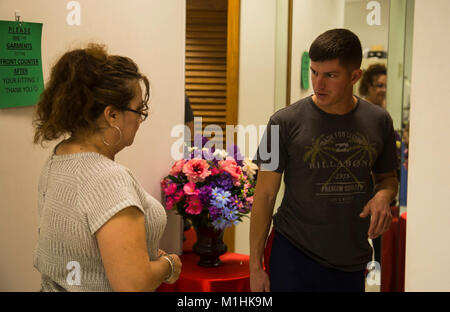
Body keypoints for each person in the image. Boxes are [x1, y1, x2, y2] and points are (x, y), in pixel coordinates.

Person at [250, 29, 398, 292]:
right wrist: (255, 268)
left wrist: (383, 196)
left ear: (355, 76)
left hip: (351, 259)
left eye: (330, 75)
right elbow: (264, 196)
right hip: (293, 252)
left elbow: (387, 179)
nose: (318, 84)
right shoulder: (281, 123)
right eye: (315, 72)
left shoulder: (379, 121)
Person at [32, 44, 182, 291]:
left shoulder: (59, 156)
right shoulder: (108, 179)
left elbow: (83, 245)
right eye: (139, 110)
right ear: (112, 115)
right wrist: (169, 264)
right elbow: (133, 285)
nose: (140, 119)